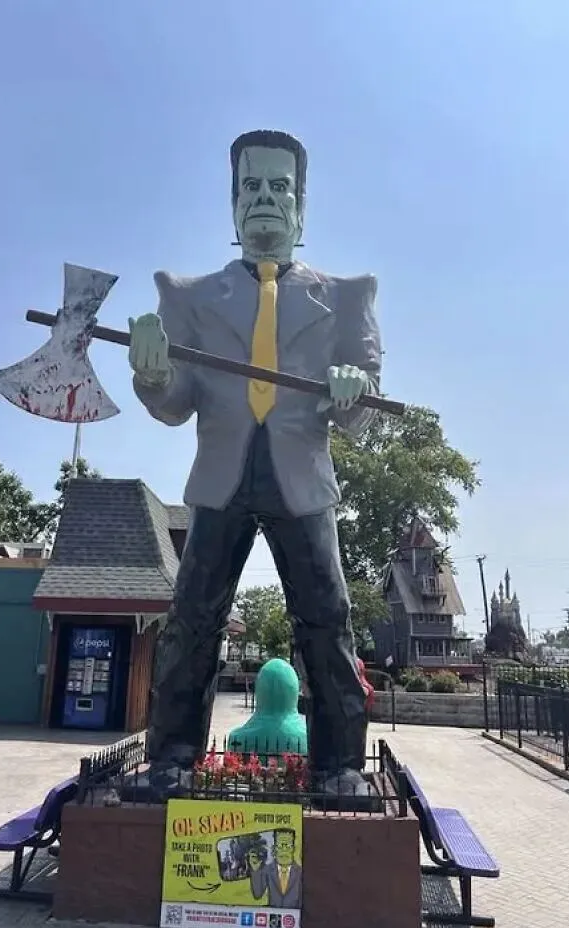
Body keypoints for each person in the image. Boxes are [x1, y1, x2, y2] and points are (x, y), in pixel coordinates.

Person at [128, 129, 382, 804]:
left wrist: (354, 388)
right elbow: (175, 402)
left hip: (303, 483)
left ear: (302, 206)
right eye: (251, 186)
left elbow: (364, 413)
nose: (265, 197)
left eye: (280, 186)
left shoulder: (347, 296)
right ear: (233, 202)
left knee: (327, 619)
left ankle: (339, 765)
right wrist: (151, 373)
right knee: (192, 617)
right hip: (222, 478)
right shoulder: (187, 296)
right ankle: (172, 758)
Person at [248, 829, 302, 909]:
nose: (284, 850)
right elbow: (257, 895)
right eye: (280, 846)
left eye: (288, 846)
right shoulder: (267, 870)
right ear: (274, 848)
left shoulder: (300, 872)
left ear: (293, 848)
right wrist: (255, 870)